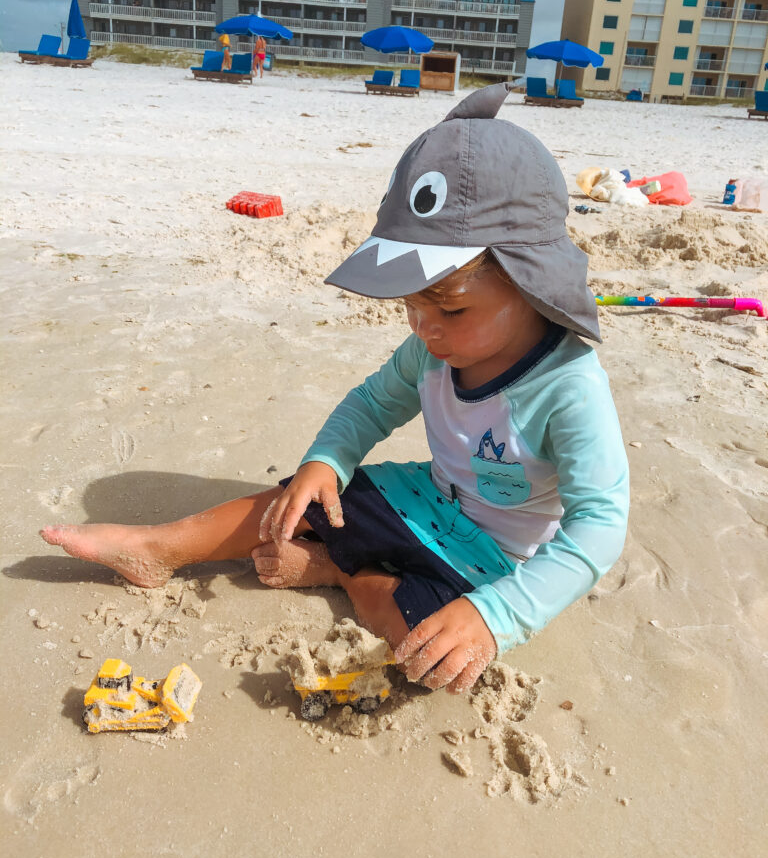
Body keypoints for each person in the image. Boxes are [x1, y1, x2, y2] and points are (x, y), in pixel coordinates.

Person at [40, 83, 629, 695]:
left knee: (421, 646)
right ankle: (159, 547)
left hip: (494, 561)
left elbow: (599, 524)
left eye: (451, 310)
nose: (425, 329)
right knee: (296, 502)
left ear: (530, 283)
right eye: (411, 307)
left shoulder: (568, 387)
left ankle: (333, 569)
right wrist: (327, 461)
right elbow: (373, 404)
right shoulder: (429, 350)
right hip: (420, 501)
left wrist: (495, 617)